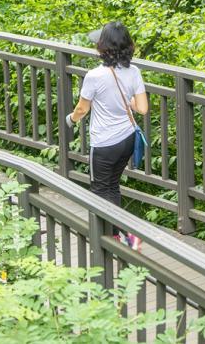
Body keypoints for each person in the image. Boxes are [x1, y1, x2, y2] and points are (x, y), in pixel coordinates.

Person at [65, 21, 148, 251]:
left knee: (100, 190)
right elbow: (142, 108)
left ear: (103, 48)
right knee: (113, 186)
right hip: (128, 139)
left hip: (104, 143)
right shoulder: (134, 72)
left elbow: (82, 109)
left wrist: (70, 120)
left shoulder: (94, 76)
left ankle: (124, 235)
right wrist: (126, 99)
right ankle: (115, 237)